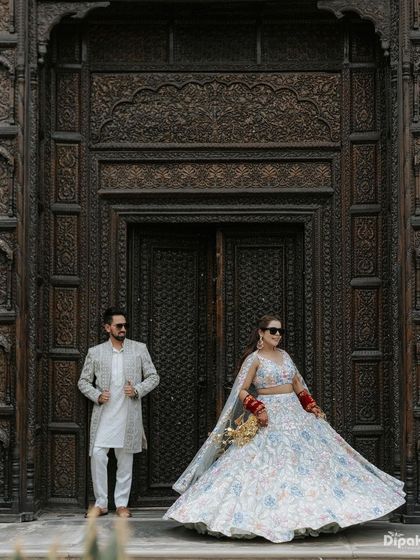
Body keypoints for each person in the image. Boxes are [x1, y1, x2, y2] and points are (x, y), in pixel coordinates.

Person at [164, 315, 405, 543]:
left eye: (280, 331)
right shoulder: (254, 359)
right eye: (272, 330)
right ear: (261, 333)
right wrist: (257, 407)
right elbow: (242, 390)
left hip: (295, 413)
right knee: (267, 463)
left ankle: (314, 515)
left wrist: (311, 406)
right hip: (270, 414)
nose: (277, 334)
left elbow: (298, 385)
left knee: (314, 461)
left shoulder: (285, 355)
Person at [78, 307, 159, 518]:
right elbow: (83, 381)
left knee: (125, 459)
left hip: (128, 415)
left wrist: (137, 390)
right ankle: (101, 503)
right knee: (97, 456)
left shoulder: (139, 349)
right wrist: (96, 395)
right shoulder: (95, 352)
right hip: (104, 415)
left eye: (125, 326)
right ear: (107, 327)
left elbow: (153, 377)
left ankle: (121, 504)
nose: (123, 329)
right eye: (118, 326)